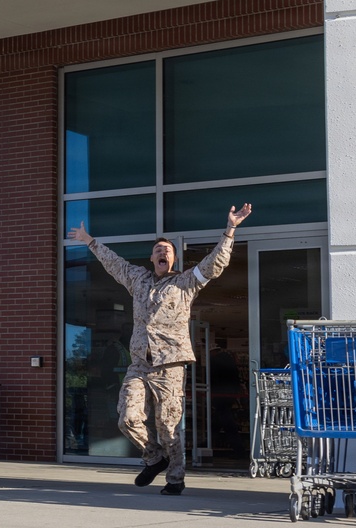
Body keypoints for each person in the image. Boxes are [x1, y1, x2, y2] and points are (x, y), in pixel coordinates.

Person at [67, 203, 252, 495]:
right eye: (158, 250)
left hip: (170, 366)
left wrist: (230, 229)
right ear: (151, 258)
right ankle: (155, 458)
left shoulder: (185, 282)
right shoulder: (138, 279)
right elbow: (114, 263)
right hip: (140, 363)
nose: (163, 253)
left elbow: (215, 263)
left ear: (174, 257)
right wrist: (90, 241)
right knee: (127, 417)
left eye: (167, 250)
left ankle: (175, 479)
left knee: (167, 426)